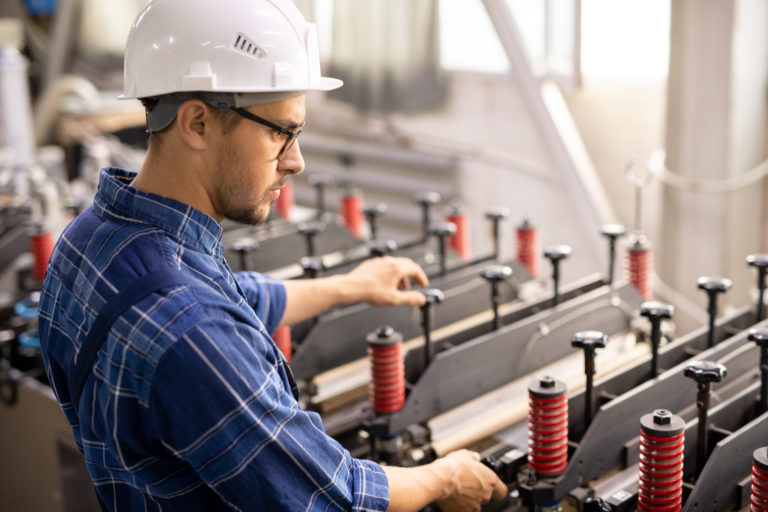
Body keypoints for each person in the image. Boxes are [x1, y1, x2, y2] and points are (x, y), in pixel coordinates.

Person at [38, 0, 508, 510]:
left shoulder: (89, 237)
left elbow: (223, 299)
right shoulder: (190, 329)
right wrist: (443, 479)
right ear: (196, 123)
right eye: (280, 131)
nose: (296, 161)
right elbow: (329, 496)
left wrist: (347, 287)